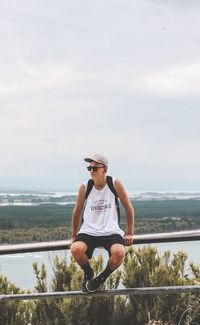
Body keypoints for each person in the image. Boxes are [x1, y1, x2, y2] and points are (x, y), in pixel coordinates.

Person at [70, 153, 134, 293]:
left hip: (111, 230)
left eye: (94, 168)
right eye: (89, 168)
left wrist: (129, 233)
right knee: (75, 249)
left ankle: (100, 279)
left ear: (104, 169)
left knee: (119, 253)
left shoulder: (114, 183)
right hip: (88, 230)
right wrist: (74, 235)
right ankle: (88, 273)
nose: (91, 171)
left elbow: (128, 207)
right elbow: (77, 211)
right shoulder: (85, 186)